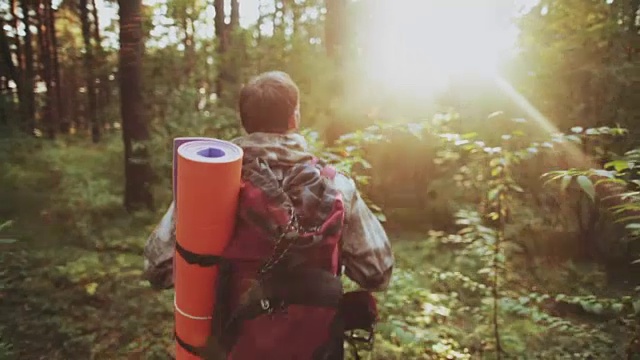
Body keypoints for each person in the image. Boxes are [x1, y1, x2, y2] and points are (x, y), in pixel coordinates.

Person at [143, 70, 394, 359]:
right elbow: (378, 272)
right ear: (294, 118)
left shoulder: (213, 185)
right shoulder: (336, 185)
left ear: (245, 122)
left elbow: (157, 268)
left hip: (233, 349)